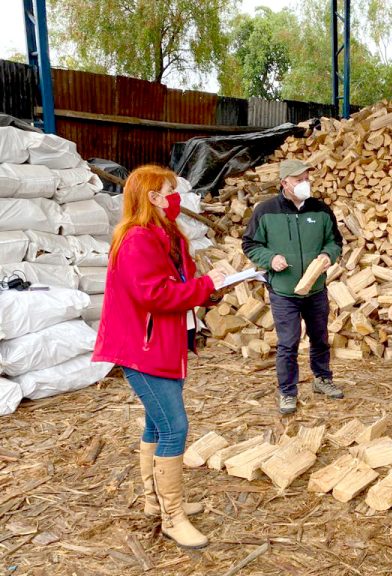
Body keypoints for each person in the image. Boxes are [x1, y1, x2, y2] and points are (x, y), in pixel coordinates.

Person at [93, 165, 225, 549]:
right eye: (170, 191)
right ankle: (173, 517)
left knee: (157, 424)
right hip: (143, 349)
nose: (175, 197)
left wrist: (210, 290)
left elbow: (180, 285)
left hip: (166, 344)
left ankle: (156, 501)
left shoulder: (167, 234)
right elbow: (154, 295)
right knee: (175, 428)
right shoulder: (136, 239)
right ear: (153, 197)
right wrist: (206, 285)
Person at [242, 159, 343, 415]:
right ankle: (287, 391)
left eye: (307, 179)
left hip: (315, 289)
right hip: (283, 292)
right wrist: (270, 259)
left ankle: (322, 379)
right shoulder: (266, 211)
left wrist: (328, 255)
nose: (304, 184)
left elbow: (335, 241)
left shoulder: (321, 210)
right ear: (284, 183)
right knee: (288, 343)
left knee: (320, 337)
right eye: (299, 180)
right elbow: (250, 244)